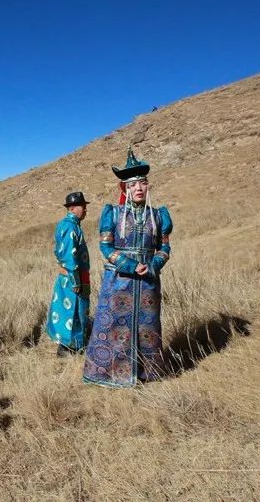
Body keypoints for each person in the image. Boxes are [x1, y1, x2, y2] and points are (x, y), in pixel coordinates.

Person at [83, 147, 173, 387]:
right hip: (119, 280)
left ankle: (147, 373)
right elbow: (106, 248)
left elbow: (165, 249)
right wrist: (130, 265)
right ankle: (108, 374)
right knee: (112, 325)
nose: (139, 188)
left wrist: (152, 264)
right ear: (124, 188)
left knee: (148, 326)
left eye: (142, 183)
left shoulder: (159, 216)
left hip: (148, 282)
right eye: (133, 185)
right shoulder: (112, 214)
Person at [45, 191, 92, 357]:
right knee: (72, 312)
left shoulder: (71, 225)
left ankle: (73, 347)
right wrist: (75, 281)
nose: (85, 210)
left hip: (77, 276)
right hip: (73, 277)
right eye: (82, 207)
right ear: (72, 208)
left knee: (76, 312)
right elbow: (68, 257)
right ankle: (68, 349)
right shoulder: (69, 227)